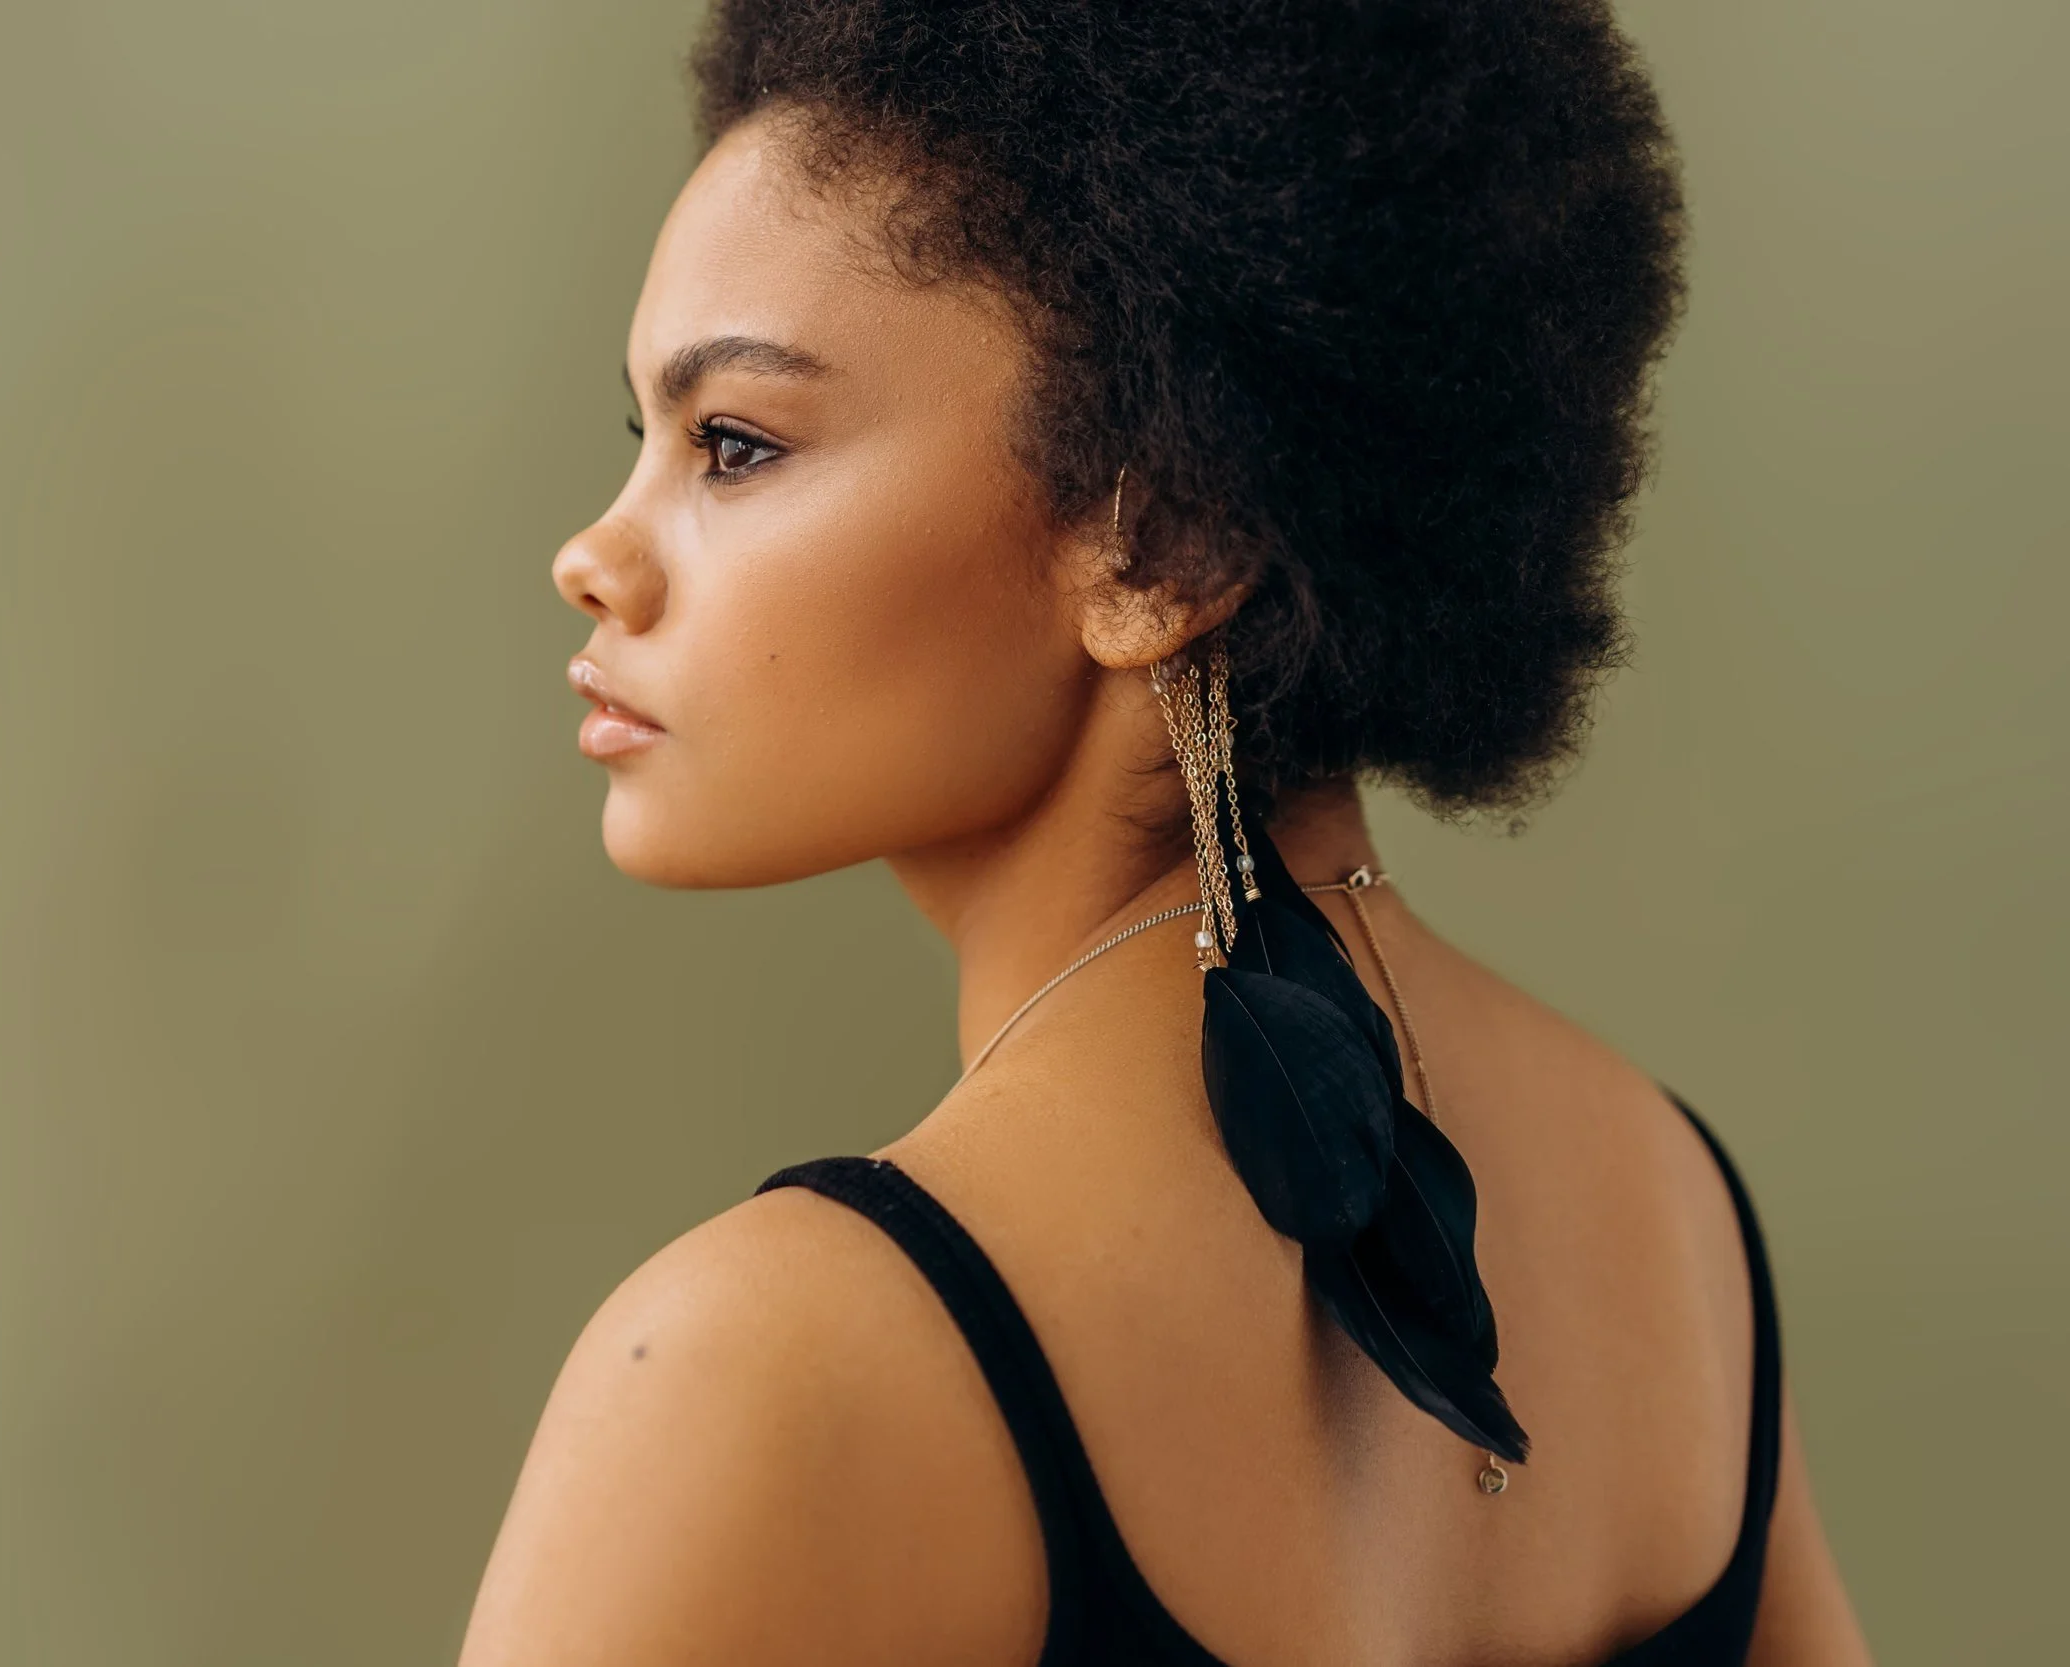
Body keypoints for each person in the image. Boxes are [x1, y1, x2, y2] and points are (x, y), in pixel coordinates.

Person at [462, 3, 1871, 1662]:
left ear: (1167, 543)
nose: (594, 554)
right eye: (640, 439)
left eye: (737, 446)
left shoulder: (769, 1369)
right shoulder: (1674, 1212)